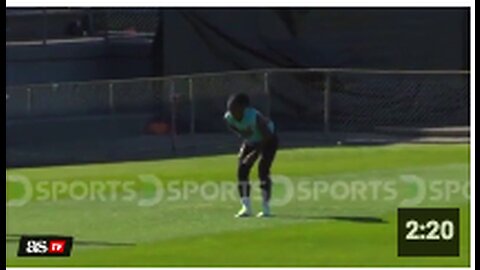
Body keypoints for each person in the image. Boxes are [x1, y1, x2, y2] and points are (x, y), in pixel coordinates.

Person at [224, 93, 279, 218]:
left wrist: (254, 154)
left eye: (235, 109)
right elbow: (237, 129)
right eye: (230, 109)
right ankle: (246, 207)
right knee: (242, 169)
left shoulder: (254, 117)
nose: (232, 112)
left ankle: (266, 207)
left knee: (263, 170)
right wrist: (245, 142)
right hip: (253, 141)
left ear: (244, 108)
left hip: (269, 140)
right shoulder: (228, 117)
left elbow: (267, 136)